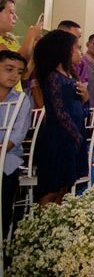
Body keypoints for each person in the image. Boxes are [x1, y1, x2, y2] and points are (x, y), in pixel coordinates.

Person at [33, 30, 88, 206]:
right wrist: (75, 135)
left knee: (65, 186)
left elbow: (81, 110)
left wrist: (86, 99)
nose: (81, 52)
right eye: (77, 48)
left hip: (73, 138)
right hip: (58, 139)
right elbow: (59, 111)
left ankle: (56, 226)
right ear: (64, 50)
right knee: (52, 187)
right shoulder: (53, 78)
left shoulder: (72, 78)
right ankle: (42, 227)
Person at [0, 50, 31, 237]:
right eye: (9, 69)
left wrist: (2, 150)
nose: (14, 75)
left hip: (8, 159)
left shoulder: (21, 100)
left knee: (3, 208)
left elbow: (18, 134)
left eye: (19, 72)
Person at [0, 0, 43, 91]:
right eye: (11, 12)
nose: (16, 17)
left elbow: (24, 75)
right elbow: (15, 63)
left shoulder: (10, 41)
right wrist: (31, 35)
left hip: (14, 97)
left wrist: (35, 48)